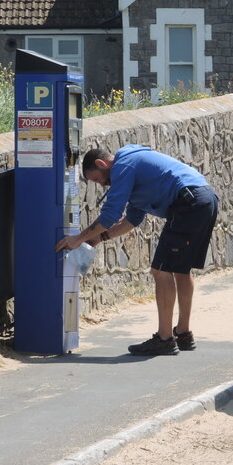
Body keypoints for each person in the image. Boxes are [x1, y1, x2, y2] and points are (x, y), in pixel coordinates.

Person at [55, 144, 218, 356]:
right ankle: (183, 333)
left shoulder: (123, 165)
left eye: (97, 179)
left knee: (160, 270)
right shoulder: (133, 166)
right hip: (204, 200)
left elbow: (110, 215)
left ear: (101, 164)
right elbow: (132, 220)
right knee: (180, 270)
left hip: (187, 204)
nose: (102, 185)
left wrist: (78, 238)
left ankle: (165, 338)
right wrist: (100, 237)